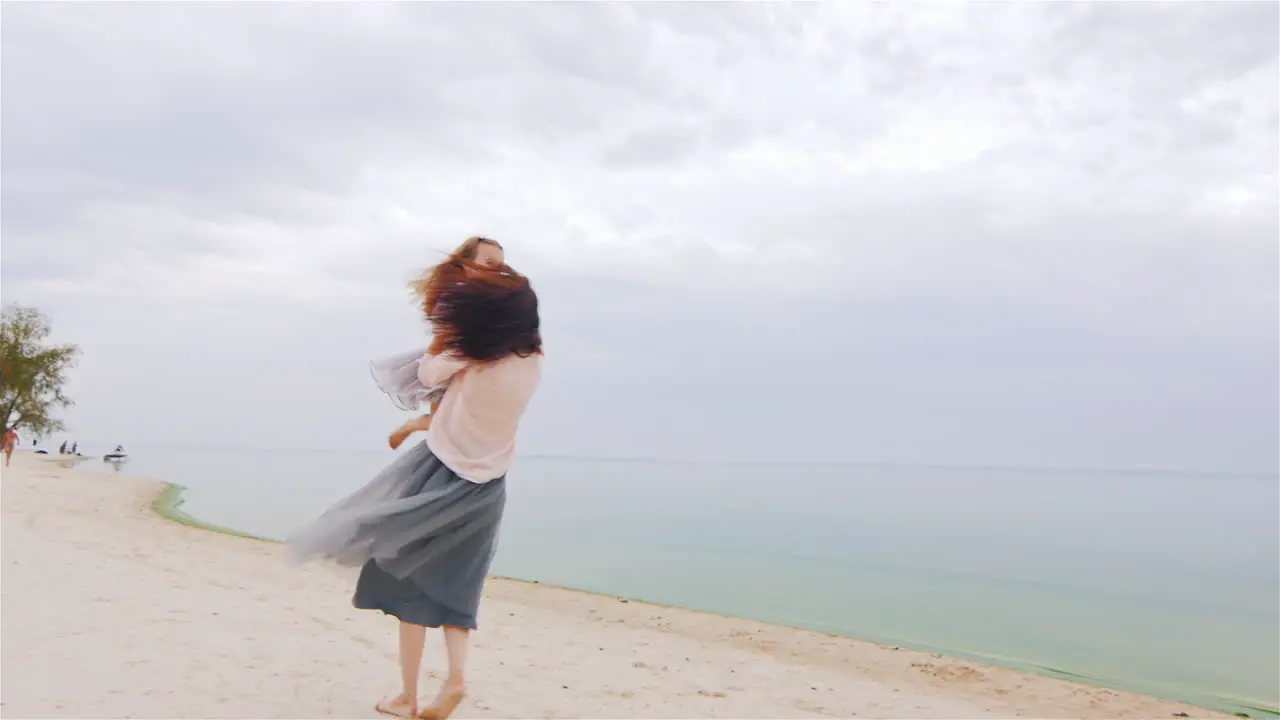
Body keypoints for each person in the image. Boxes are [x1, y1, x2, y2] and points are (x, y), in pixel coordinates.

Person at [288, 257, 542, 719]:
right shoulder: (532, 362)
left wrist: (451, 334)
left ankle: (407, 696)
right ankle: (457, 678)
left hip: (438, 471)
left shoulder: (470, 356)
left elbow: (426, 375)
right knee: (459, 585)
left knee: (404, 577)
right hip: (489, 487)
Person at [375, 237, 506, 451]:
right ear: (466, 264)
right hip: (446, 361)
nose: (496, 270)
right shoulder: (457, 294)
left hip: (469, 366)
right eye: (489, 262)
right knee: (442, 424)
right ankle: (412, 426)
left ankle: (414, 426)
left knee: (448, 425)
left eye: (499, 265)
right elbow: (445, 330)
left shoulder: (495, 297)